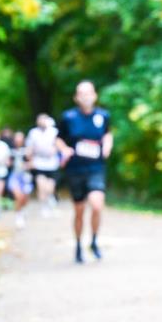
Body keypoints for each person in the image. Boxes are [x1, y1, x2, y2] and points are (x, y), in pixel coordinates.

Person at [56, 81, 112, 263]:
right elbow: (58, 139)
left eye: (89, 93)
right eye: (82, 93)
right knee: (79, 210)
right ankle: (79, 245)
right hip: (75, 169)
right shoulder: (68, 117)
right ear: (76, 97)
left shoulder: (103, 116)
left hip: (96, 168)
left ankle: (94, 241)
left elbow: (107, 133)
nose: (86, 97)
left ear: (95, 95)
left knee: (97, 205)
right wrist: (64, 149)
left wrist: (107, 146)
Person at [27, 113, 61, 217]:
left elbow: (60, 144)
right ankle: (44, 207)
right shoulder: (33, 133)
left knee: (49, 187)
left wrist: (55, 150)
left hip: (52, 164)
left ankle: (50, 198)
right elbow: (30, 148)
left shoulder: (54, 132)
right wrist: (30, 159)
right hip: (39, 163)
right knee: (41, 186)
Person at [7, 131, 33, 227]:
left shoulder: (27, 150)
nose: (18, 140)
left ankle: (22, 210)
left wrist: (27, 165)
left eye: (20, 138)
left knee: (25, 198)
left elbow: (32, 163)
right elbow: (7, 163)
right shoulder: (11, 151)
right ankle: (18, 215)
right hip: (14, 176)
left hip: (25, 177)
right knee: (18, 196)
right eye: (17, 138)